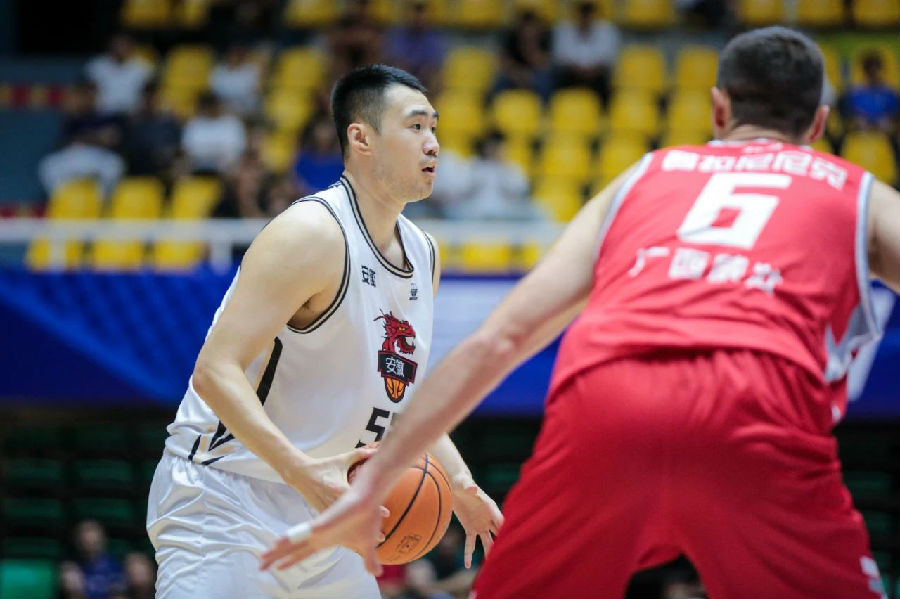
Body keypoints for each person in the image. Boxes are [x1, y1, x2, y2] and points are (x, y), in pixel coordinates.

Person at [261, 28, 900, 599]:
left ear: (718, 108)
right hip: (759, 401)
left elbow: (499, 339)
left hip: (608, 397)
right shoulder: (860, 191)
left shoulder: (642, 178)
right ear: (818, 124)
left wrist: (373, 485)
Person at [147, 64, 501, 599]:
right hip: (227, 499)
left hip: (329, 505)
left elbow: (400, 397)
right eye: (414, 127)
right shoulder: (311, 232)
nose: (432, 144)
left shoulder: (424, 252)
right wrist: (301, 473)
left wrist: (459, 484)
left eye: (434, 128)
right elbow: (214, 371)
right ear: (362, 138)